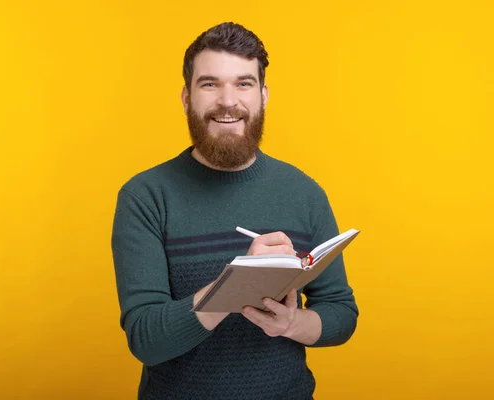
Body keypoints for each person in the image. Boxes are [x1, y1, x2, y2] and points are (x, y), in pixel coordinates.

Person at [111, 21, 359, 400]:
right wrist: (240, 282)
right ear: (186, 97)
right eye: (210, 84)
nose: (228, 101)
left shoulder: (304, 193)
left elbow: (341, 314)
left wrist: (293, 323)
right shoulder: (145, 196)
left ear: (263, 95)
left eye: (243, 83)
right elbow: (146, 339)